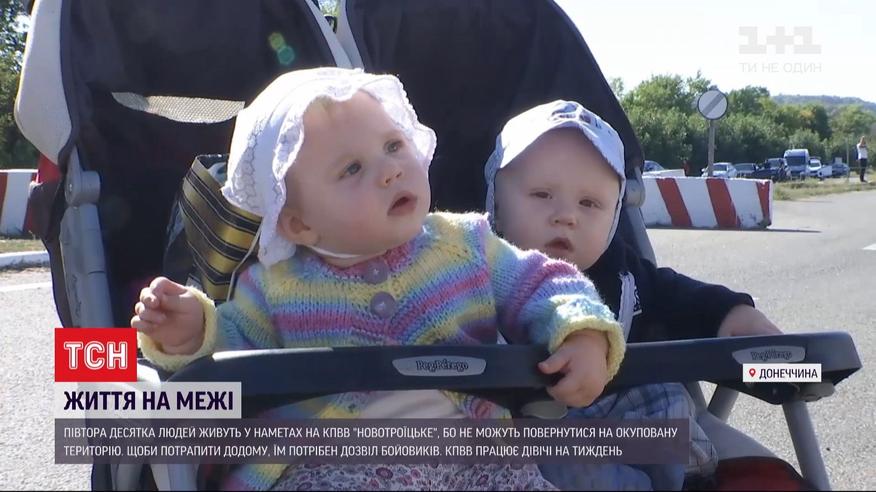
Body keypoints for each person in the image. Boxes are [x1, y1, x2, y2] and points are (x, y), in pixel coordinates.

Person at [131, 68, 627, 491]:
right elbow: (232, 357)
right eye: (352, 168)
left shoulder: (467, 244)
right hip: (333, 463)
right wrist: (192, 331)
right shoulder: (275, 288)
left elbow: (543, 282)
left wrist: (581, 331)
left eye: (394, 145)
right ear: (298, 224)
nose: (390, 170)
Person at [484, 100, 783, 490]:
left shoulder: (624, 277)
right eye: (541, 194)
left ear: (613, 218)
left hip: (627, 432)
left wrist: (732, 314)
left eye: (589, 203)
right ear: (496, 203)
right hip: (520, 442)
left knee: (669, 402)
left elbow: (681, 298)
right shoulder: (470, 274)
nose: (566, 215)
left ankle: (691, 480)